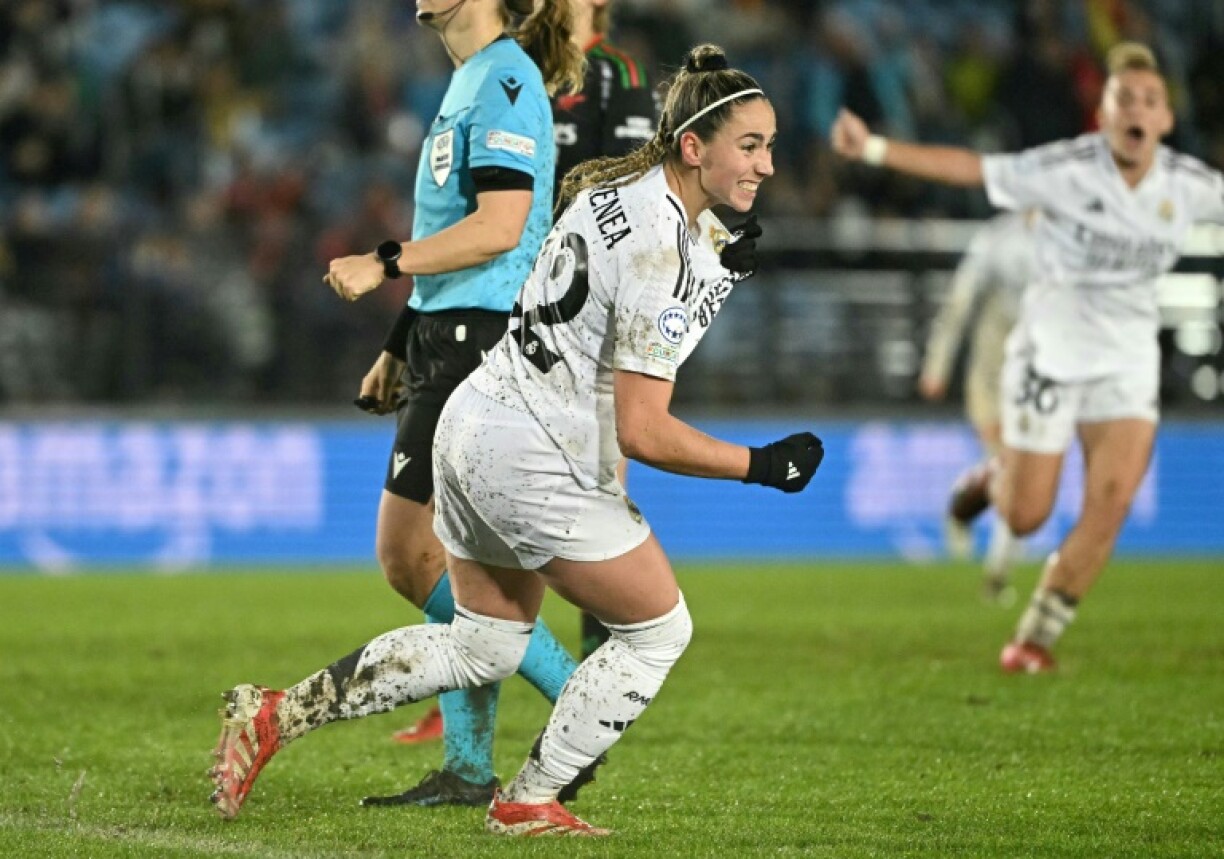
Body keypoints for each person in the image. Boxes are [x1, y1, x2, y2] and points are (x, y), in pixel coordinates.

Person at [210, 44, 824, 836]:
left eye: (770, 144)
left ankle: (272, 714)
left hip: (475, 422)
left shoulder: (614, 185)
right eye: (751, 144)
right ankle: (530, 798)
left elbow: (619, 301)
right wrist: (763, 465)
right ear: (694, 147)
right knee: (660, 629)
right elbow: (645, 429)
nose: (768, 164)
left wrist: (715, 271)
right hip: (538, 458)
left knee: (485, 645)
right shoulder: (664, 249)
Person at [832, 42, 1224, 673]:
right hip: (1050, 354)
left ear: (1166, 119)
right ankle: (992, 480)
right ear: (1104, 111)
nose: (1138, 109)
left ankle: (1032, 640)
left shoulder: (1188, 185)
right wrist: (874, 147)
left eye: (1151, 100)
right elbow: (970, 168)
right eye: (1125, 97)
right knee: (1026, 513)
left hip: (1125, 366)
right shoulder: (1067, 169)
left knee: (1112, 501)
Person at [327, 0, 587, 808]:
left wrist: (384, 261)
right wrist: (400, 341)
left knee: (411, 555)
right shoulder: (469, 79)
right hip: (447, 333)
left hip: (485, 339)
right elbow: (456, 227)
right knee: (447, 561)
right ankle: (472, 767)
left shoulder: (505, 78)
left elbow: (502, 226)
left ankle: (584, 702)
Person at [392, 0, 658, 748]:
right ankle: (484, 717)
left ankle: (594, 685)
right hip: (500, 307)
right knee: (475, 546)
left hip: (566, 322)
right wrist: (401, 331)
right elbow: (459, 218)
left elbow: (626, 204)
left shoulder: (609, 79)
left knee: (581, 511)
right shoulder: (506, 69)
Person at [918, 210, 1038, 605]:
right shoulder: (996, 239)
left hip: (1039, 373)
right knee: (1010, 466)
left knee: (1011, 469)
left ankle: (963, 508)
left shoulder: (1070, 236)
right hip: (992, 372)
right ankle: (997, 573)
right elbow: (959, 302)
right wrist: (937, 364)